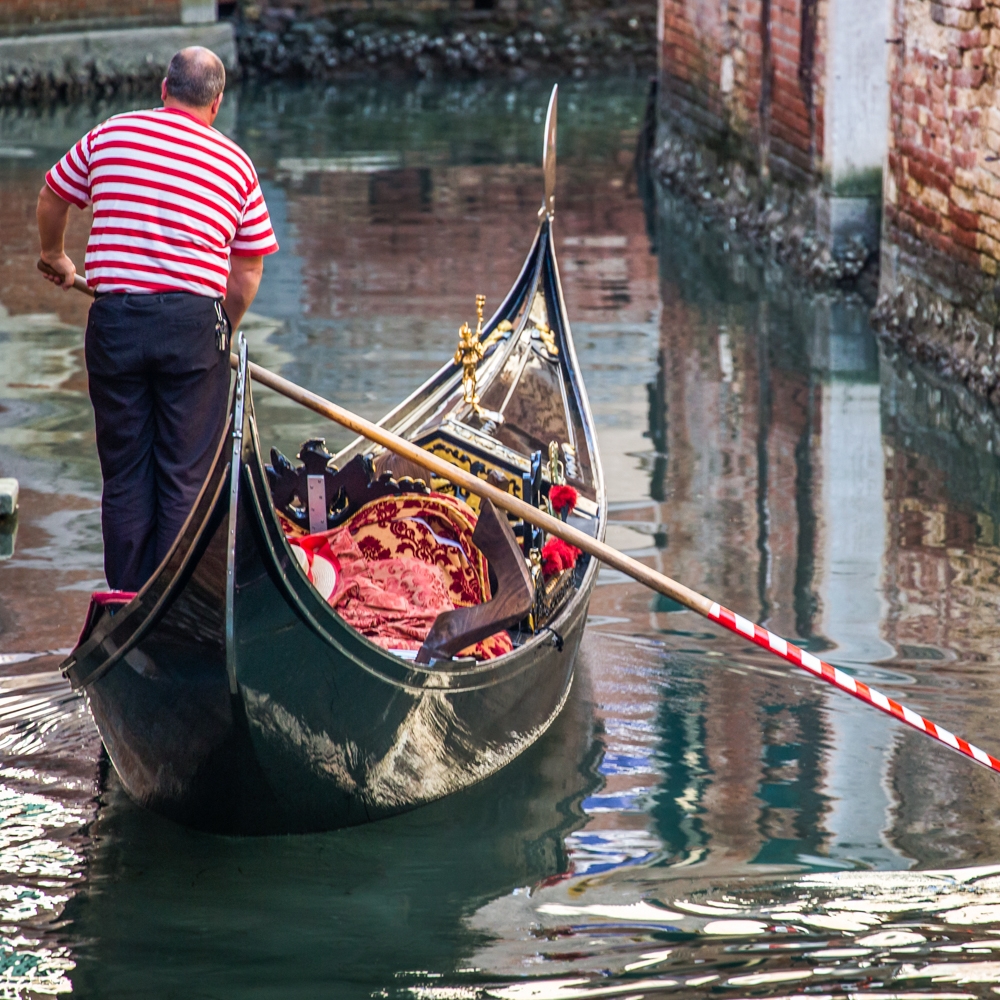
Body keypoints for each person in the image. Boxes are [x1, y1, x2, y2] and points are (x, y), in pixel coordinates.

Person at [37, 46, 278, 592]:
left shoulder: (110, 135)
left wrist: (54, 256)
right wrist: (221, 330)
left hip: (115, 321)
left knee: (125, 475)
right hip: (193, 327)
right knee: (185, 478)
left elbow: (53, 196)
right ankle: (173, 602)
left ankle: (127, 600)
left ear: (163, 89)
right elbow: (246, 275)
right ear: (216, 104)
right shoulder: (236, 164)